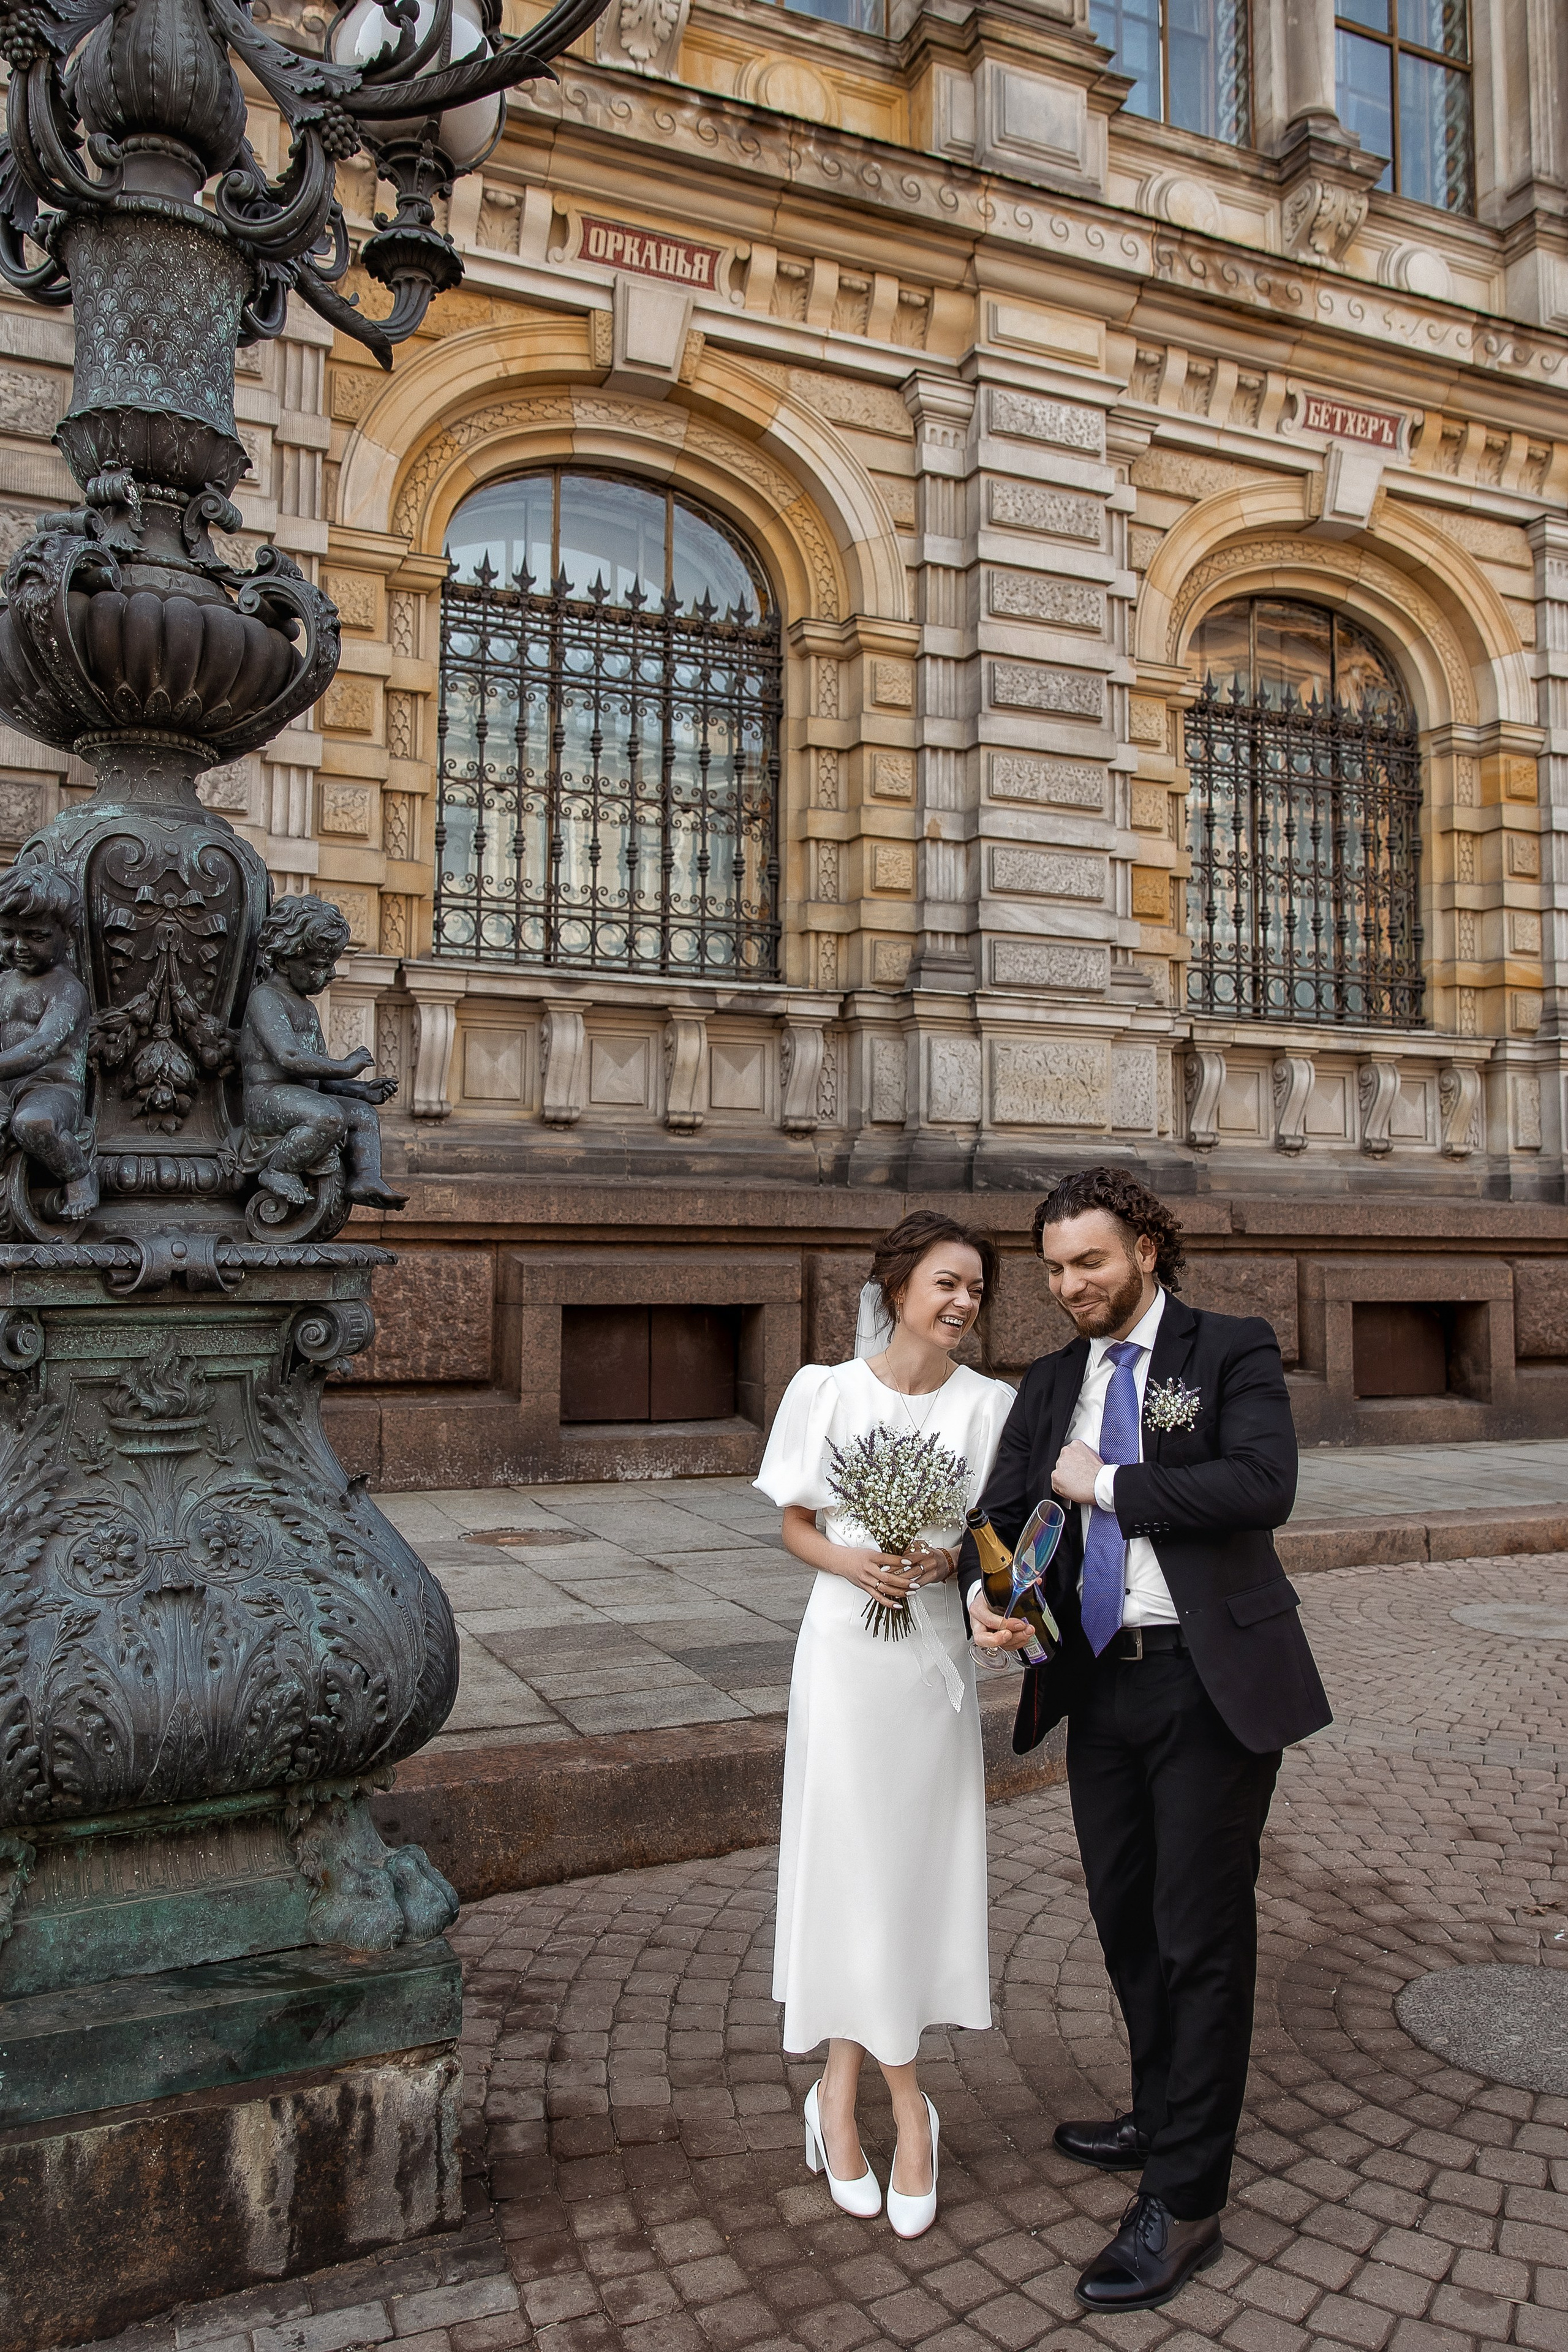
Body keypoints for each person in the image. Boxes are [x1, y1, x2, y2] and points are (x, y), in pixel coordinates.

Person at [963, 1166, 1330, 2315]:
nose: (1073, 1286)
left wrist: (1112, 1481)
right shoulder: (1053, 1377)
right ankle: (1160, 2109)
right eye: (1058, 1268)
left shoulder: (1229, 1350)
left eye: (1092, 1262)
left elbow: (1262, 1484)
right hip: (1098, 1688)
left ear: (1146, 1253)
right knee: (1126, 1917)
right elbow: (1006, 1505)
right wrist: (989, 1594)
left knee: (1198, 1932)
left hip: (1210, 1686)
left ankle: (1187, 2192)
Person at [755, 1210, 1016, 2240]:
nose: (962, 1305)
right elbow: (792, 1524)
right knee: (849, 1864)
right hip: (843, 1652)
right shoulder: (827, 1391)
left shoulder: (991, 1407)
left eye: (977, 1293)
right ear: (899, 1285)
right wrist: (856, 1563)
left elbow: (991, 1537)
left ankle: (838, 2094)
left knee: (909, 1869)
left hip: (930, 1660)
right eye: (947, 1284)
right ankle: (905, 2108)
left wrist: (952, 1565)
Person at [240, 894, 405, 1210]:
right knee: (329, 1116)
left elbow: (316, 1078)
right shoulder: (266, 998)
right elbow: (288, 1058)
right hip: (267, 1098)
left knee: (362, 1115)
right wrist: (344, 1068)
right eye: (319, 965)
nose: (330, 975)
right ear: (285, 961)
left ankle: (365, 1178)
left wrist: (360, 1090)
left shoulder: (307, 1009)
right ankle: (279, 1170)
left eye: (331, 964)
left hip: (300, 1098)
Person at [0, 861, 97, 1220]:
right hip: (5, 1085)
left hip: (52, 1087)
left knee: (34, 1124)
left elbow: (42, 1046)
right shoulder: (3, 983)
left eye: (36, 937)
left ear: (67, 937)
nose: (19, 946)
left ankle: (79, 1175)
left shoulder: (67, 989)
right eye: (8, 934)